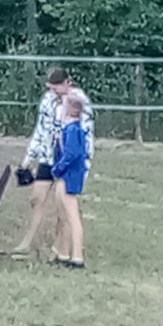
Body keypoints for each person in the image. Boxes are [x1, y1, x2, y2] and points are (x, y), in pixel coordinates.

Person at [10, 66, 95, 260]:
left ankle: (60, 249)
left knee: (63, 207)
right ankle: (26, 244)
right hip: (49, 156)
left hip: (67, 160)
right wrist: (28, 158)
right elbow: (41, 129)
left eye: (56, 87)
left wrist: (84, 167)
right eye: (50, 87)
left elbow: (86, 137)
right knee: (36, 198)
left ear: (67, 82)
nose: (53, 91)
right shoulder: (48, 100)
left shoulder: (78, 102)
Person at [49, 91, 90, 269]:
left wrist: (57, 169)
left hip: (69, 176)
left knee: (72, 216)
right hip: (64, 176)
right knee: (63, 215)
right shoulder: (69, 129)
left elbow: (71, 155)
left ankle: (77, 256)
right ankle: (64, 253)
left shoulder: (73, 130)